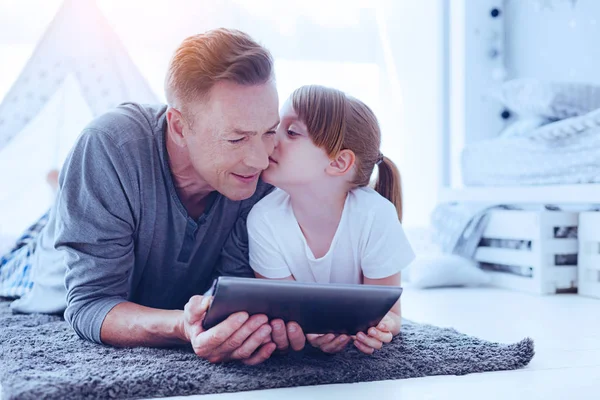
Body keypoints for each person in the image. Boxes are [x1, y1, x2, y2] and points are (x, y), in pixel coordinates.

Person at [1, 28, 306, 365]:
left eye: (268, 131)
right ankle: (62, 189)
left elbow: (237, 291)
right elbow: (90, 303)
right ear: (178, 127)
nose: (261, 160)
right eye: (236, 139)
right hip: (43, 264)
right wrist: (181, 326)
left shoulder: (261, 171)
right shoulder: (107, 146)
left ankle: (65, 186)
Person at [247, 85, 415, 355]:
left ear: (338, 163)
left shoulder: (375, 215)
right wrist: (309, 328)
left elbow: (391, 312)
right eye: (276, 127)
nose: (271, 139)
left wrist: (382, 326)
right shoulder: (263, 219)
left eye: (291, 132)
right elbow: (283, 309)